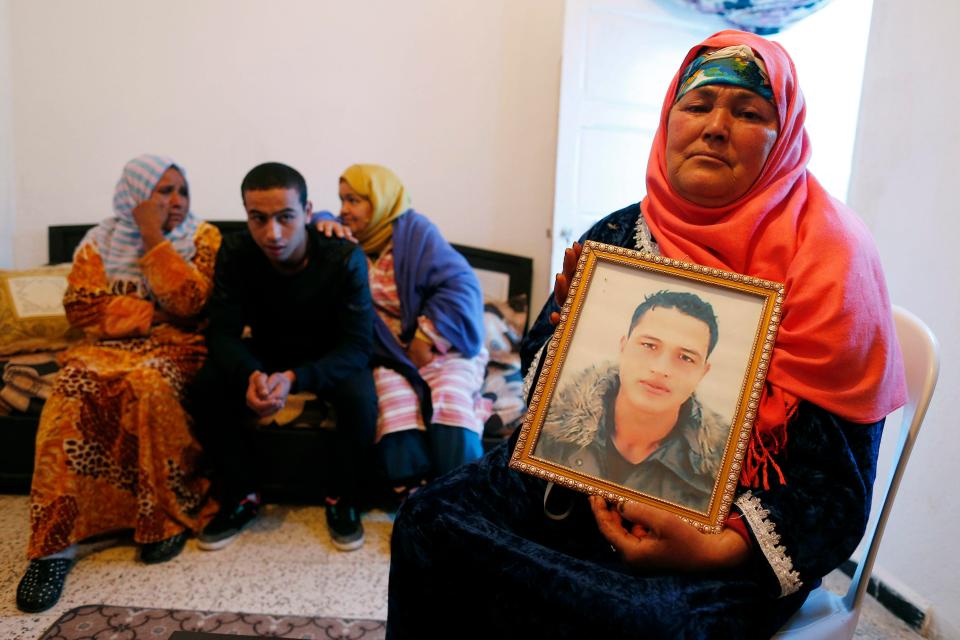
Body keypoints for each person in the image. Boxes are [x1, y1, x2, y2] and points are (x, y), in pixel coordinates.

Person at [386, 31, 907, 638]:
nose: (716, 126)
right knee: (429, 519)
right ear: (668, 120)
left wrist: (717, 546)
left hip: (724, 535)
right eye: (698, 104)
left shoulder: (832, 265)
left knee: (643, 623)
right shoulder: (620, 237)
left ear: (785, 134)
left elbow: (837, 490)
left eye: (749, 113)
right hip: (581, 488)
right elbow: (541, 390)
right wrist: (564, 335)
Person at [16, 154, 221, 613]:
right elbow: (84, 310)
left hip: (176, 348)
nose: (175, 201)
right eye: (162, 191)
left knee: (150, 385)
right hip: (101, 351)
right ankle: (53, 547)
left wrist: (152, 237)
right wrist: (154, 312)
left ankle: (162, 521)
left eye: (181, 190)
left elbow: (191, 303)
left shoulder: (203, 237)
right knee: (70, 392)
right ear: (135, 194)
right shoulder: (100, 239)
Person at [192, 162, 377, 552]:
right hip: (267, 350)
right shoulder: (237, 250)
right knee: (205, 384)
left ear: (308, 213)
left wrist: (294, 378)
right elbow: (222, 332)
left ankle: (342, 498)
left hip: (330, 354)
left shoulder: (343, 258)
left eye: (285, 217)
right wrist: (250, 374)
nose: (272, 233)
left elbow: (357, 346)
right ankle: (242, 494)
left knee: (360, 398)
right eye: (258, 219)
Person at [317, 164, 486, 495]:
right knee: (394, 403)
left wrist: (426, 335)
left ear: (379, 200)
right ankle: (415, 490)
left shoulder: (415, 231)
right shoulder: (345, 240)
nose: (343, 210)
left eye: (353, 200)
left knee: (449, 398)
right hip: (389, 351)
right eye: (341, 201)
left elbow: (461, 285)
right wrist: (321, 218)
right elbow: (309, 220)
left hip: (443, 342)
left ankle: (465, 492)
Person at [535, 290, 726, 513]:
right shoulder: (549, 430)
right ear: (623, 346)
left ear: (703, 372)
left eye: (685, 357)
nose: (661, 369)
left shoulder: (717, 474)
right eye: (649, 345)